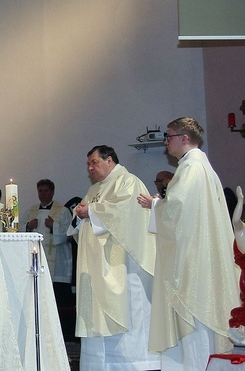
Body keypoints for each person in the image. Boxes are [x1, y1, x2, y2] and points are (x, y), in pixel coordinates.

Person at [138, 118, 239, 369]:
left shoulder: (191, 168)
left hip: (195, 264)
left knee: (195, 325)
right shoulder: (201, 167)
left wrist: (154, 204)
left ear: (184, 138)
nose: (165, 141)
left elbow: (177, 210)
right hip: (201, 255)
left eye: (169, 136)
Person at [68, 145, 159, 370]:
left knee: (128, 314)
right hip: (97, 267)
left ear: (110, 160)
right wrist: (80, 214)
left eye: (94, 163)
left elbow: (127, 214)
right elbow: (83, 218)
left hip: (123, 267)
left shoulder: (128, 182)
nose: (90, 168)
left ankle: (133, 364)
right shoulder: (95, 189)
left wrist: (91, 211)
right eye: (88, 164)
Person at [24, 179, 73, 289]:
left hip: (57, 262)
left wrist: (54, 226)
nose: (42, 194)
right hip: (36, 256)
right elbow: (19, 230)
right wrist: (28, 226)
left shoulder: (63, 211)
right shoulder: (31, 210)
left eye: (46, 191)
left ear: (52, 192)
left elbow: (70, 234)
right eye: (40, 191)